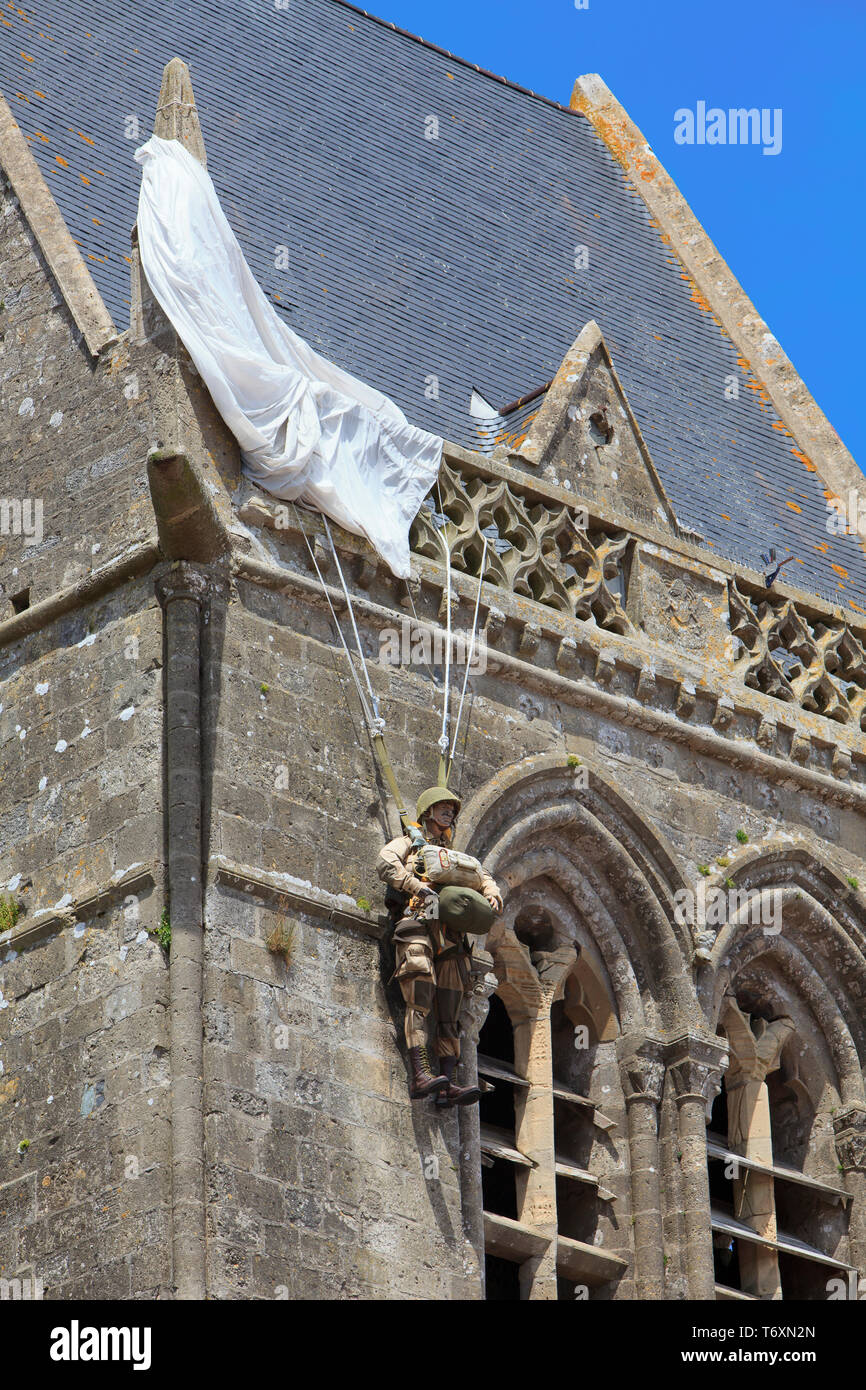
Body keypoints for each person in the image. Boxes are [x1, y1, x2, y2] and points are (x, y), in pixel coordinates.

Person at [377, 786, 503, 1106]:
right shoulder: (410, 844)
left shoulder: (455, 858)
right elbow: (385, 862)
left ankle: (448, 1082)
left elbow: (483, 876)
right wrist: (415, 884)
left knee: (451, 1010)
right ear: (428, 812)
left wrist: (492, 892)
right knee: (419, 998)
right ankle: (421, 1074)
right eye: (442, 806)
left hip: (451, 939)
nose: (448, 811)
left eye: (451, 808)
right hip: (419, 924)